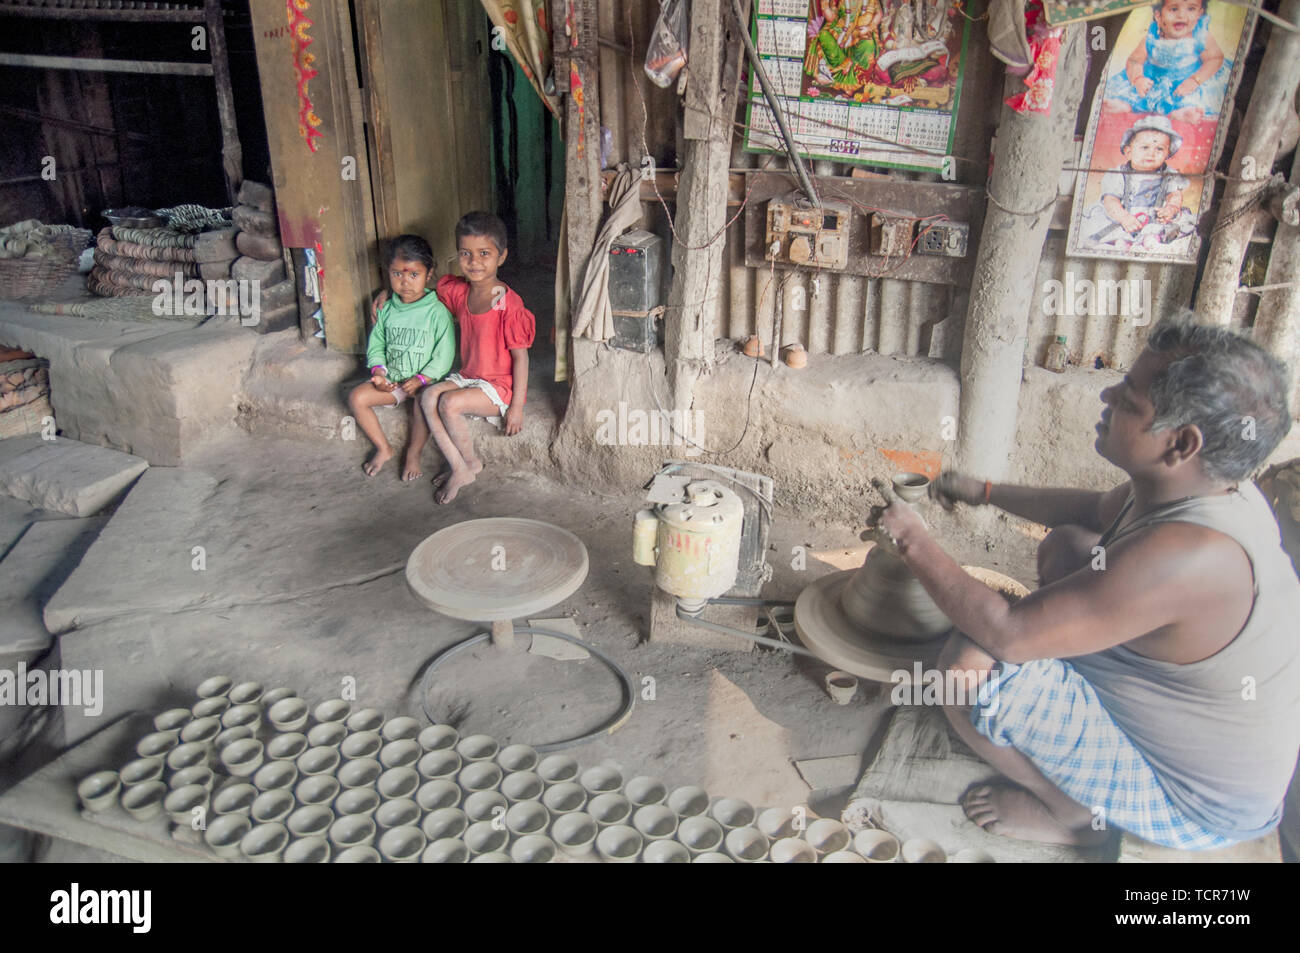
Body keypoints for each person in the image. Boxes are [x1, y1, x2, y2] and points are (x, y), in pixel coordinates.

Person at [874, 315, 1300, 849]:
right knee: (1068, 547)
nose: (1107, 394)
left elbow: (1008, 633)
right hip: (1193, 732)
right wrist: (984, 491)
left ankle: (1066, 810)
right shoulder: (1209, 490)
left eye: (1128, 399)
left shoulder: (1188, 555)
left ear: (1182, 443)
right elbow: (1091, 508)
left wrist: (913, 541)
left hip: (1192, 804)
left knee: (967, 666)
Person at [423, 211, 535, 504]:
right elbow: (422, 293)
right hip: (470, 377)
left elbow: (520, 359)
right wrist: (388, 295)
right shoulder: (459, 291)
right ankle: (461, 466)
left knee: (448, 403)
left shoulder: (506, 302)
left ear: (502, 256)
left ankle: (469, 463)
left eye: (484, 253)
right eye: (466, 254)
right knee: (427, 396)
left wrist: (517, 408)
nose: (474, 262)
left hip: (497, 387)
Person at [349, 235, 455, 480]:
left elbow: (444, 354)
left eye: (413, 275)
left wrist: (422, 378)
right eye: (397, 274)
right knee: (356, 397)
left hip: (422, 384)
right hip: (393, 381)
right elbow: (377, 344)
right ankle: (384, 448)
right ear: (388, 273)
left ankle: (413, 453)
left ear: (429, 274)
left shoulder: (437, 311)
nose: (405, 282)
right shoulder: (386, 308)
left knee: (423, 404)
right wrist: (379, 373)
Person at [1080, 115, 1195, 252]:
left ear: (1168, 154)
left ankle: (1154, 240)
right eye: (1145, 147)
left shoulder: (1169, 174)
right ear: (1128, 152)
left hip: (1155, 217)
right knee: (1109, 228)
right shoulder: (1119, 174)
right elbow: (1110, 200)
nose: (1151, 153)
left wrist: (1171, 208)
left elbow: (1174, 195)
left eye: (1159, 149)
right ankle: (1122, 242)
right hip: (1124, 216)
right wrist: (1124, 218)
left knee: (1178, 223)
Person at [1103, 0, 1230, 122]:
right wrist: (1138, 79)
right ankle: (1126, 104)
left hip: (1188, 81)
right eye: (1173, 9)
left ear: (1200, 14)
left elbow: (1214, 58)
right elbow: (1134, 61)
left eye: (1191, 9)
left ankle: (1183, 111)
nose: (1181, 15)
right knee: (1137, 93)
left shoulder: (1200, 36)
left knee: (1189, 98)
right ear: (1158, 15)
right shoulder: (1152, 37)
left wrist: (1194, 81)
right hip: (1154, 79)